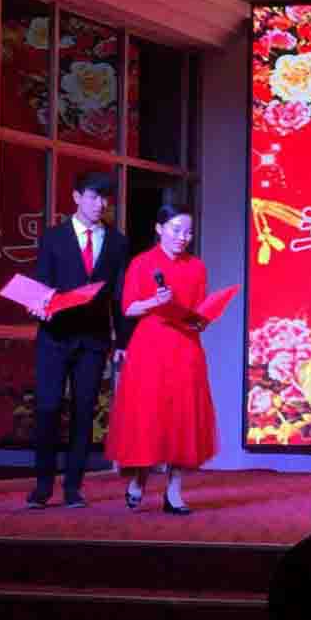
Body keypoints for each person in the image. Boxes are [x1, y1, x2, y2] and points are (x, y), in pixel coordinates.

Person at [26, 170, 129, 509]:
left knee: (84, 412)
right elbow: (42, 283)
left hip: (93, 340)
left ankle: (73, 487)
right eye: (93, 196)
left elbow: (119, 296)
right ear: (76, 197)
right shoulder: (54, 237)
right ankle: (42, 488)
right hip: (55, 336)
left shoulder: (117, 242)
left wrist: (122, 341)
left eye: (104, 198)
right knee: (47, 409)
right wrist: (39, 305)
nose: (100, 204)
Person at [106, 204, 216, 514]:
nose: (183, 237)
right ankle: (139, 478)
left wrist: (200, 320)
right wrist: (155, 301)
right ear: (159, 228)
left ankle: (174, 490)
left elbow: (198, 310)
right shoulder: (142, 263)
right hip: (150, 345)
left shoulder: (197, 266)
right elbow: (128, 308)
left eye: (188, 232)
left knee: (183, 416)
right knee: (149, 414)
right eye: (176, 230)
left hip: (185, 345)